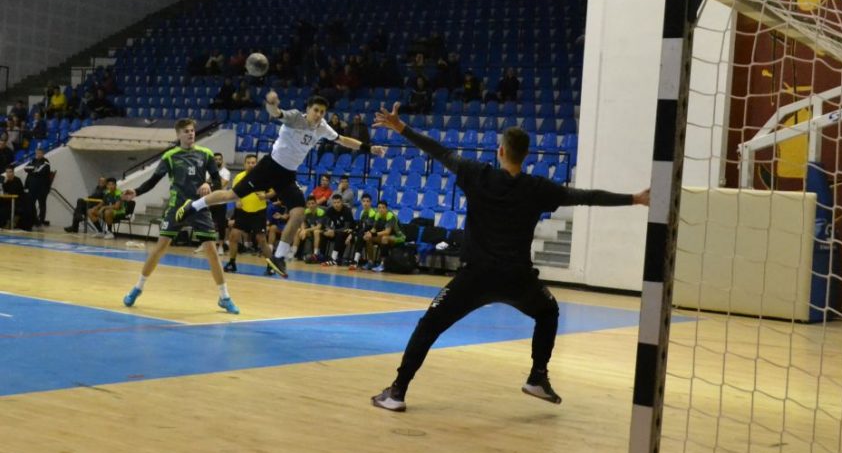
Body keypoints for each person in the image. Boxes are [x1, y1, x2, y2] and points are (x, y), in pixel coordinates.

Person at [368, 103, 649, 413]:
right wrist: (634, 199)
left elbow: (440, 152)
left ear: (500, 151)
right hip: (518, 278)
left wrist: (401, 128)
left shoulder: (478, 174)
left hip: (475, 277)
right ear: (525, 155)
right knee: (548, 312)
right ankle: (537, 376)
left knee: (429, 326)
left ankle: (397, 392)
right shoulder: (538, 188)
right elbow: (586, 197)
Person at [176, 93, 384, 278]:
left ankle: (279, 256)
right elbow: (275, 113)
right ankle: (193, 206)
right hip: (269, 167)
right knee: (231, 196)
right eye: (316, 110)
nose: (319, 114)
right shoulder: (295, 117)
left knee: (299, 212)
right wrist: (271, 103)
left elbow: (343, 140)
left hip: (287, 175)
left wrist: (368, 148)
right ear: (308, 110)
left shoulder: (322, 127)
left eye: (322, 112)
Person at [120, 119, 239, 315]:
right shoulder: (170, 156)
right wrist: (136, 192)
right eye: (186, 131)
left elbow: (218, 182)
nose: (191, 134)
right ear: (178, 135)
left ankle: (224, 297)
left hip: (199, 206)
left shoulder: (206, 154)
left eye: (192, 130)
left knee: (211, 251)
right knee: (159, 249)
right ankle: (138, 288)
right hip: (177, 207)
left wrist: (210, 185)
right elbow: (152, 182)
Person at [224, 153, 273, 275]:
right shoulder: (239, 177)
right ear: (244, 164)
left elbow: (274, 192)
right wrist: (237, 201)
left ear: (257, 164)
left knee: (261, 240)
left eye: (253, 163)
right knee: (233, 236)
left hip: (259, 212)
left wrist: (265, 196)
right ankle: (232, 262)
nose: (251, 165)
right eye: (249, 163)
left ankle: (271, 265)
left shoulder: (263, 177)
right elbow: (234, 193)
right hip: (243, 212)